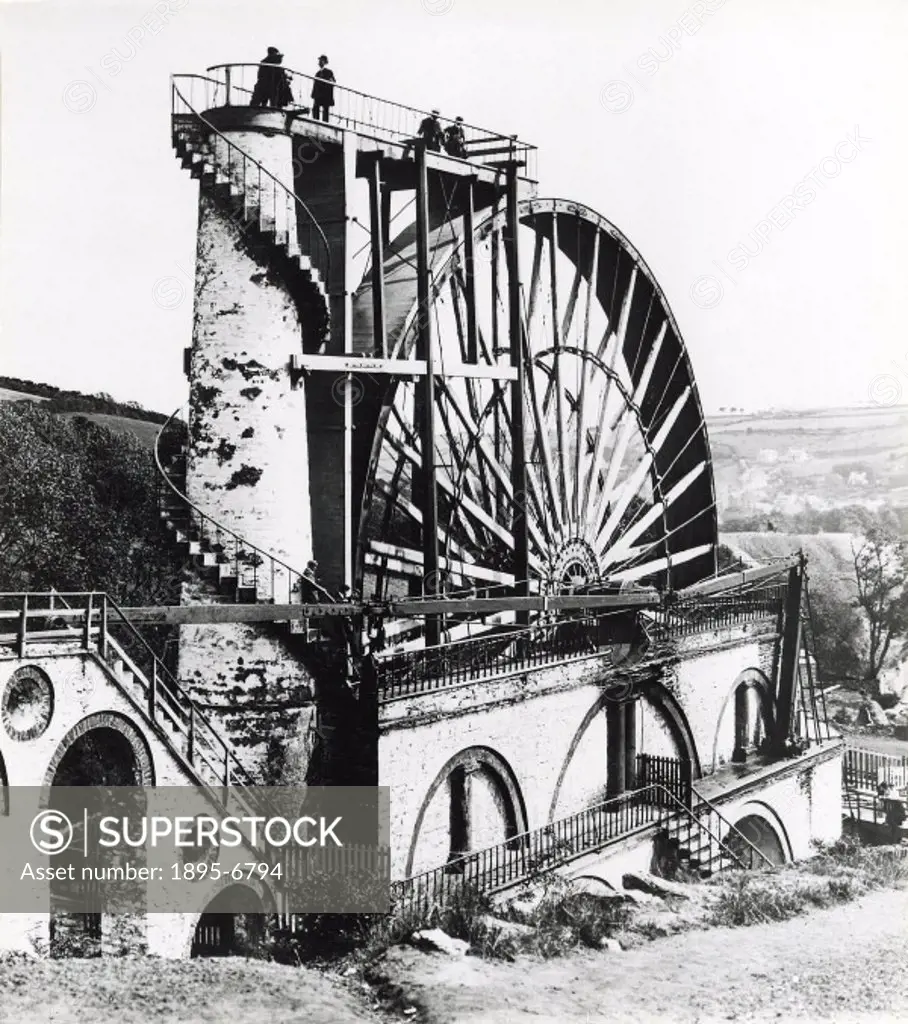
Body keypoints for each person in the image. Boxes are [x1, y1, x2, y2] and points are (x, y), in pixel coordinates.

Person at [311, 55, 336, 122]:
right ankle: (315, 121)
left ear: (324, 62)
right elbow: (315, 84)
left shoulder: (329, 72)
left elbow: (333, 82)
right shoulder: (317, 73)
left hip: (325, 94)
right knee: (316, 108)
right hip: (318, 94)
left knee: (325, 109)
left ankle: (325, 122)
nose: (319, 62)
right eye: (319, 60)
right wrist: (313, 95)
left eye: (321, 60)